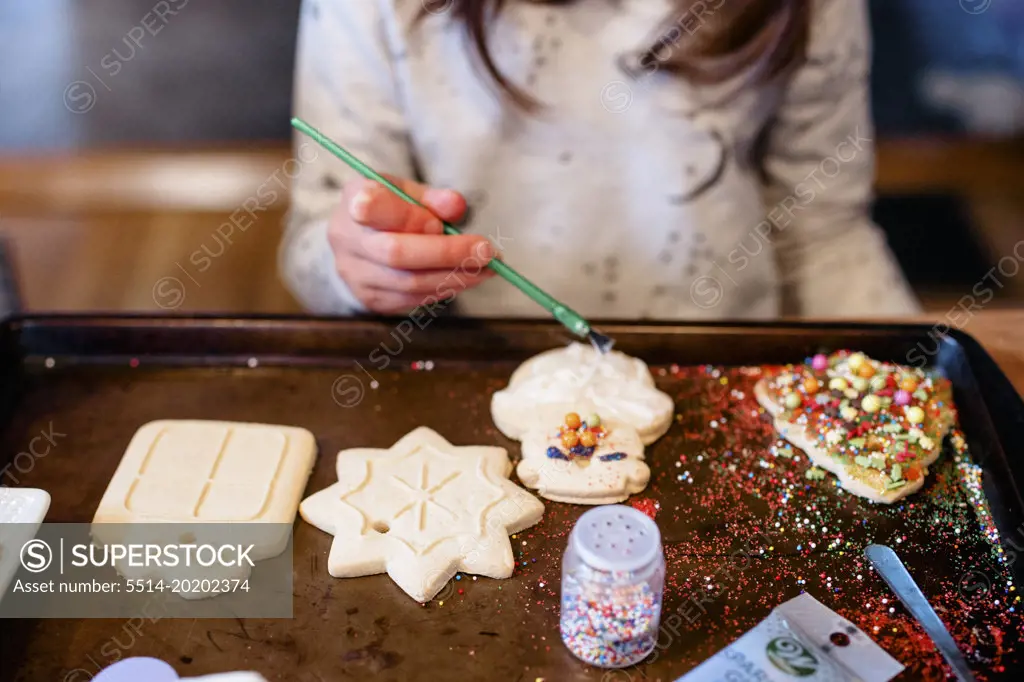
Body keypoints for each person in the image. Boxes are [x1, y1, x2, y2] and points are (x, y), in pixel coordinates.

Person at [280, 0, 920, 320]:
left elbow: (823, 232)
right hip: (476, 383)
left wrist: (917, 382)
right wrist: (359, 266)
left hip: (724, 372)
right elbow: (316, 244)